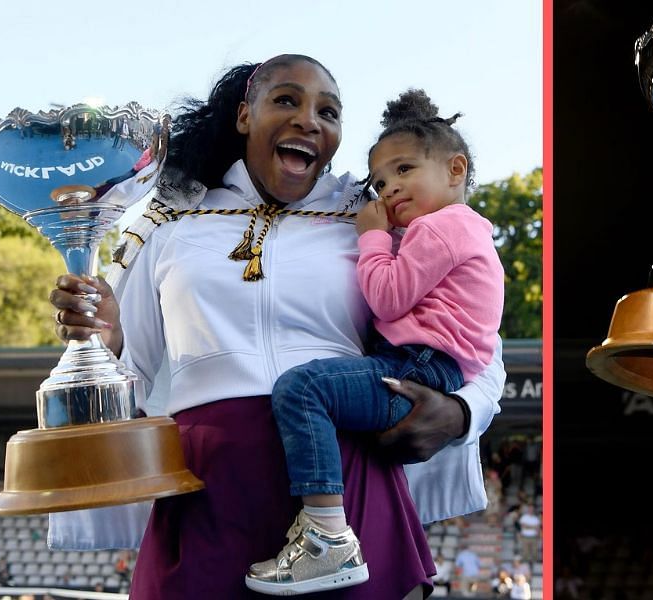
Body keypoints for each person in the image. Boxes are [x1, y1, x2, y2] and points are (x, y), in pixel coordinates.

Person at [49, 55, 504, 600]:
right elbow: (132, 367)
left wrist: (460, 412)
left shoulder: (375, 218)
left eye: (329, 111)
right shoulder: (170, 222)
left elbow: (474, 332)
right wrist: (104, 341)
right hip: (204, 485)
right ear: (244, 115)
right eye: (286, 100)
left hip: (346, 480)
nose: (309, 120)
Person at [246, 88, 504, 595]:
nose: (388, 190)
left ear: (455, 170)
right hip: (431, 365)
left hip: (418, 366)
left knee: (302, 390)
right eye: (380, 181)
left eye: (405, 171)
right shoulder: (463, 229)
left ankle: (326, 538)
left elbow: (387, 298)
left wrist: (372, 236)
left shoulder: (439, 229)